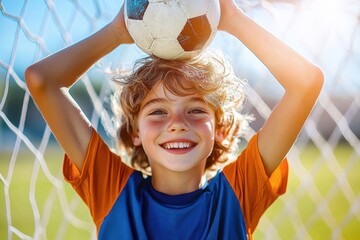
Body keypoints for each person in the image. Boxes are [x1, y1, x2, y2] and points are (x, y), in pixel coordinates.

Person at [25, 0, 324, 239]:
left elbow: (306, 83)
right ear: (135, 133)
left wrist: (232, 19)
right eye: (157, 111)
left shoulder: (238, 193)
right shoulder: (112, 190)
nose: (177, 122)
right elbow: (41, 80)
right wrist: (116, 32)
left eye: (195, 110)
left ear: (220, 129)